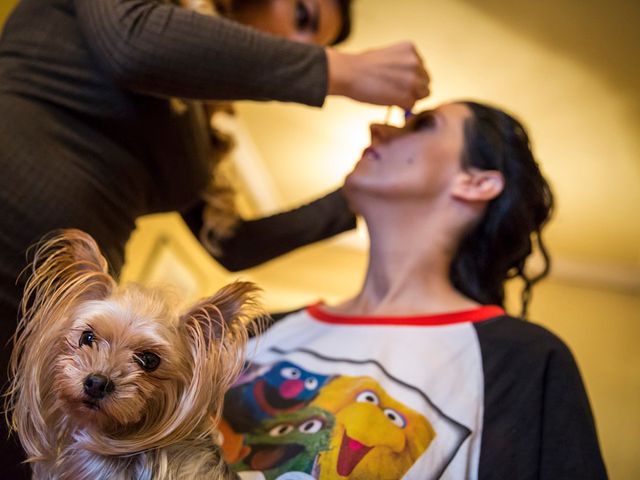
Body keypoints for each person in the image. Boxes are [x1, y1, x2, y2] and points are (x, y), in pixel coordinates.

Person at [0, 0, 430, 474]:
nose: (298, 46)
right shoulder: (148, 24)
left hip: (49, 294)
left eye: (316, 46)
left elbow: (230, 241)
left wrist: (363, 191)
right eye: (303, 19)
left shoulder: (197, 117)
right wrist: (336, 70)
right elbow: (132, 45)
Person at [220, 101, 608, 479]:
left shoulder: (523, 360)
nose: (378, 129)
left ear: (477, 183)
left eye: (424, 124)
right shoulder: (264, 329)